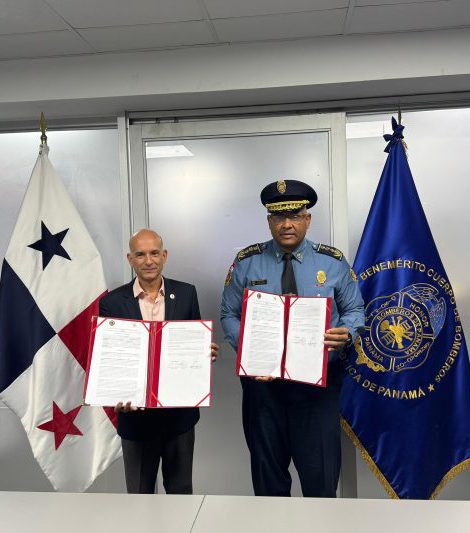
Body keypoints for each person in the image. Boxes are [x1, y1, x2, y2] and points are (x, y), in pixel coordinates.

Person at [221, 179, 364, 497]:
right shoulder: (247, 262)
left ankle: (320, 523)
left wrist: (347, 333)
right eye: (278, 216)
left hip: (317, 389)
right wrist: (250, 351)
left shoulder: (332, 262)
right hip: (263, 388)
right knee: (268, 478)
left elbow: (355, 309)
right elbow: (228, 314)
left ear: (307, 219)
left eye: (295, 215)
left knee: (320, 478)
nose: (287, 224)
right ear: (269, 221)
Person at [99, 229, 217, 494]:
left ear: (164, 256)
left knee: (181, 492)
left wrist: (203, 353)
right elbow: (110, 358)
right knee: (139, 494)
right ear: (130, 259)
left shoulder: (187, 293)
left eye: (154, 253)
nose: (148, 261)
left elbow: (194, 344)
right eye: (140, 254)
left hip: (180, 417)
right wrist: (115, 394)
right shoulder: (112, 302)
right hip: (135, 418)